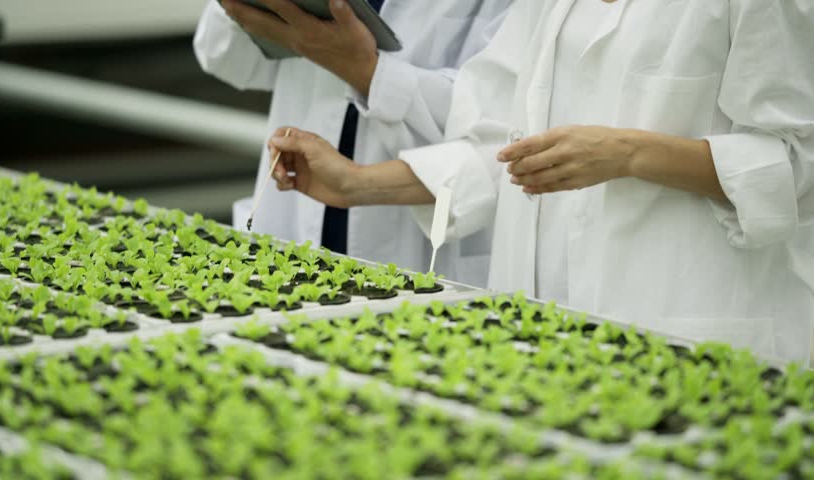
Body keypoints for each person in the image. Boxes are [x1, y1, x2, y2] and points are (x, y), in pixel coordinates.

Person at [265, 0, 814, 365]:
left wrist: (631, 152)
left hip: (687, 323)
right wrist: (357, 185)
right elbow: (500, 139)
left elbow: (797, 163)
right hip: (540, 326)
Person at [194, 0, 512, 286]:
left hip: (422, 240)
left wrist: (367, 72)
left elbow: (505, 123)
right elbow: (223, 56)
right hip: (295, 211)